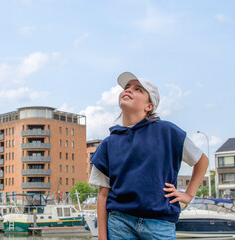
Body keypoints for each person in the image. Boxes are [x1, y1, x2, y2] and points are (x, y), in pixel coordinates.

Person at [88, 72, 209, 240]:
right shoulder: (108, 144)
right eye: (127, 87)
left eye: (138, 89)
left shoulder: (167, 132)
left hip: (159, 224)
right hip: (119, 223)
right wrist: (102, 237)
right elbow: (103, 194)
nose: (129, 90)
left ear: (149, 106)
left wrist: (188, 195)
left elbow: (202, 161)